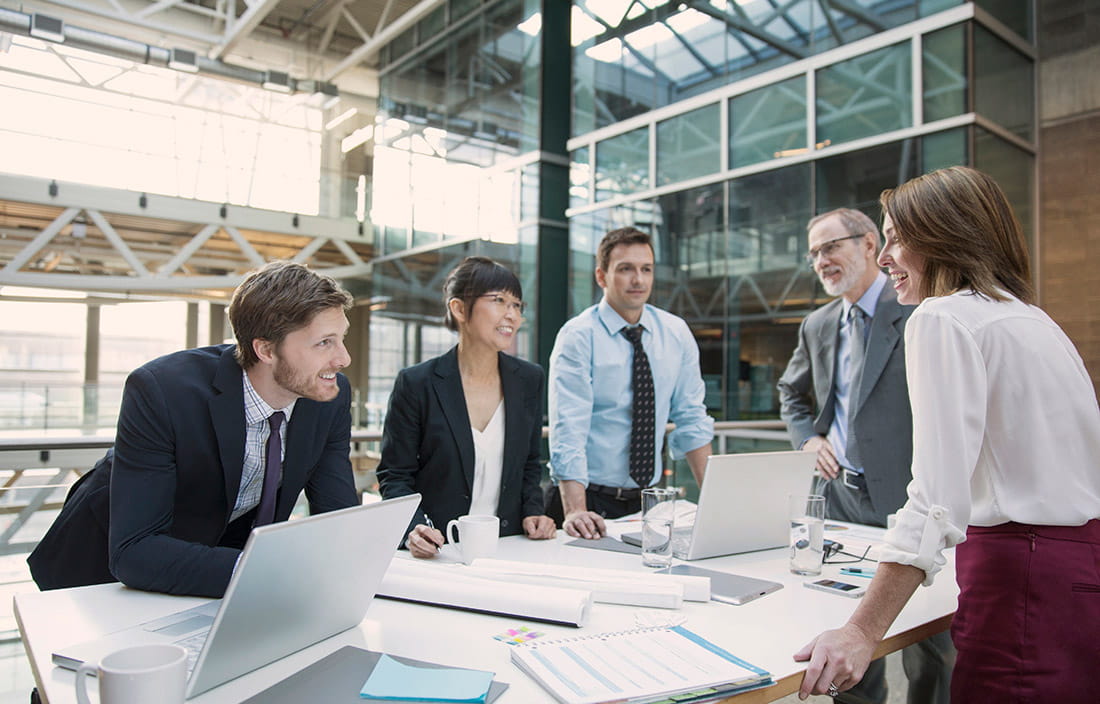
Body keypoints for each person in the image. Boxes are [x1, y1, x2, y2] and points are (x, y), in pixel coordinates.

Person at [795, 166, 1100, 703]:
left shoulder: (941, 317)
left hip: (1019, 578)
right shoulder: (1033, 320)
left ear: (943, 236)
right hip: (1079, 576)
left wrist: (861, 631)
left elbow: (936, 500)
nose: (883, 257)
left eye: (895, 239)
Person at [28, 261, 360, 598]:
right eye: (324, 343)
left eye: (341, 338)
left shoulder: (329, 396)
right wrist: (269, 572)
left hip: (216, 563)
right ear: (266, 350)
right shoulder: (162, 389)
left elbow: (337, 517)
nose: (343, 358)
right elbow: (135, 552)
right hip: (102, 573)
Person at [778, 208, 954, 703]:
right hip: (839, 500)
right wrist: (808, 440)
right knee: (844, 634)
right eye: (813, 253)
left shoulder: (922, 311)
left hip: (909, 499)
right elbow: (791, 393)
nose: (821, 261)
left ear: (869, 243)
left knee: (933, 647)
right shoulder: (817, 324)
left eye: (831, 247)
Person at [377, 256, 555, 558]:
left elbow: (529, 463)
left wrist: (533, 511)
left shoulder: (529, 379)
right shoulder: (417, 383)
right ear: (459, 308)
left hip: (508, 547)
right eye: (499, 300)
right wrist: (414, 528)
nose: (512, 314)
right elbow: (395, 475)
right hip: (438, 549)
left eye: (517, 305)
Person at [546, 227, 713, 539]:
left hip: (649, 504)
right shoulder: (578, 336)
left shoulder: (676, 333)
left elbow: (692, 419)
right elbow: (569, 429)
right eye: (625, 269)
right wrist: (576, 511)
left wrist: (718, 503)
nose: (638, 280)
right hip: (587, 500)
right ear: (601, 276)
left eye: (646, 269)